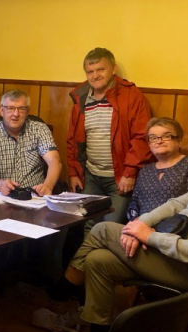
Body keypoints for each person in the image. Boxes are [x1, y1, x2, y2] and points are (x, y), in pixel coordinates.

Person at [59, 119, 188, 332]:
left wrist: (150, 237)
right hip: (175, 252)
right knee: (98, 260)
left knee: (102, 230)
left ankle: (61, 288)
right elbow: (178, 203)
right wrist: (141, 224)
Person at [66, 47, 153, 226]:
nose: (95, 76)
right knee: (87, 225)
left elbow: (141, 137)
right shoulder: (81, 97)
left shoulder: (131, 95)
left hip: (120, 177)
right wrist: (74, 172)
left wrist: (130, 173)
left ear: (113, 69)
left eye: (100, 69)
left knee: (109, 227)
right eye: (90, 71)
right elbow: (73, 139)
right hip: (90, 176)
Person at [0, 90, 61, 196]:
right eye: (10, 108)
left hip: (35, 195)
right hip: (6, 195)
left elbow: (54, 161)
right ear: (1, 110)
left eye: (21, 109)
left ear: (27, 112)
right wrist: (1, 185)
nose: (16, 114)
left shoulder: (39, 129)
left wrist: (47, 186)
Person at [127, 117, 188, 220]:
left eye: (166, 136)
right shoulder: (145, 170)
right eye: (153, 138)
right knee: (106, 226)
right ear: (149, 144)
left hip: (173, 226)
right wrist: (134, 221)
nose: (159, 141)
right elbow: (134, 202)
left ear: (179, 140)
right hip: (140, 225)